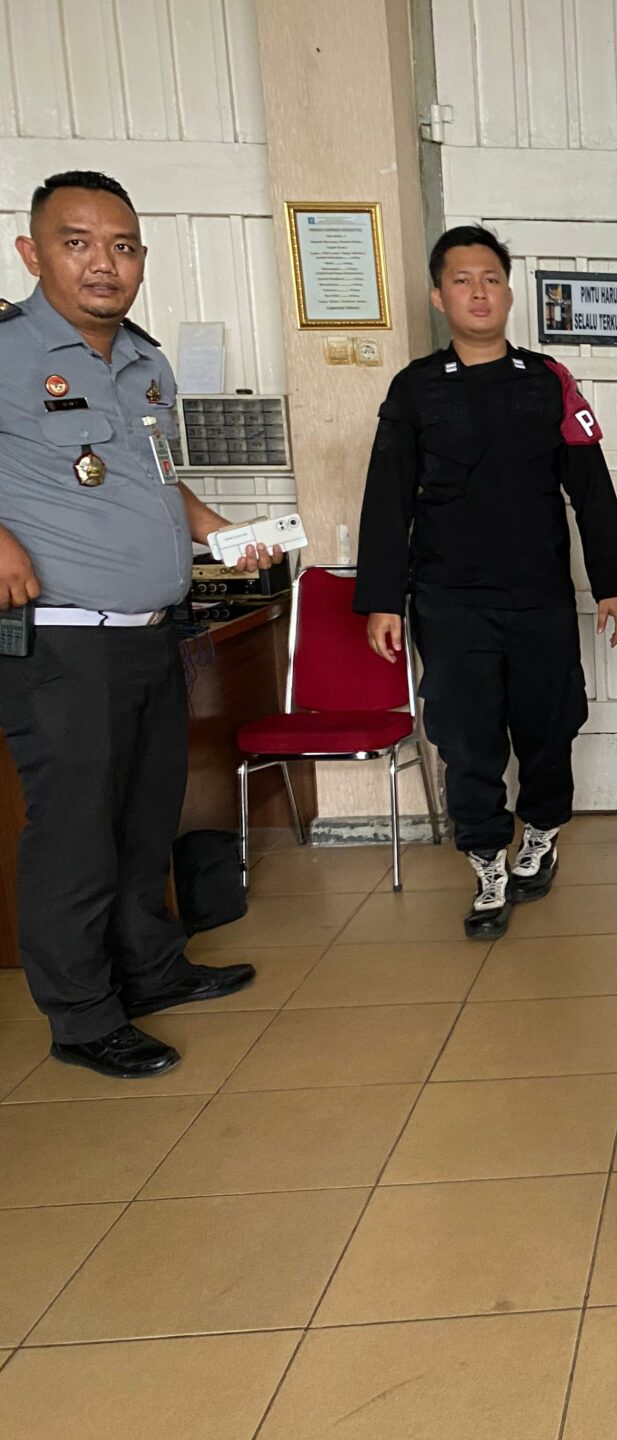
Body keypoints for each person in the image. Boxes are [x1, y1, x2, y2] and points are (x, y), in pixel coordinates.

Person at [0, 171, 275, 1079]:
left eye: (121, 246)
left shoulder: (145, 363)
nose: (103, 264)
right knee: (75, 831)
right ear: (32, 252)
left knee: (146, 817)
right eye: (77, 242)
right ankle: (82, 1017)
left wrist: (219, 533)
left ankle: (151, 971)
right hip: (63, 638)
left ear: (142, 260)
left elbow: (158, 480)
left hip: (154, 630)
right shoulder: (6, 352)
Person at [355, 225, 617, 939]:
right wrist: (383, 599)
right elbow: (386, 499)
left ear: (509, 293)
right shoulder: (416, 389)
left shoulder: (548, 380)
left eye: (490, 279)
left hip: (539, 595)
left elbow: (590, 487)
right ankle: (486, 861)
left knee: (549, 725)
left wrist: (612, 581)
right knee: (467, 737)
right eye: (462, 280)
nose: (478, 292)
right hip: (450, 601)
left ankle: (539, 833)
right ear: (438, 296)